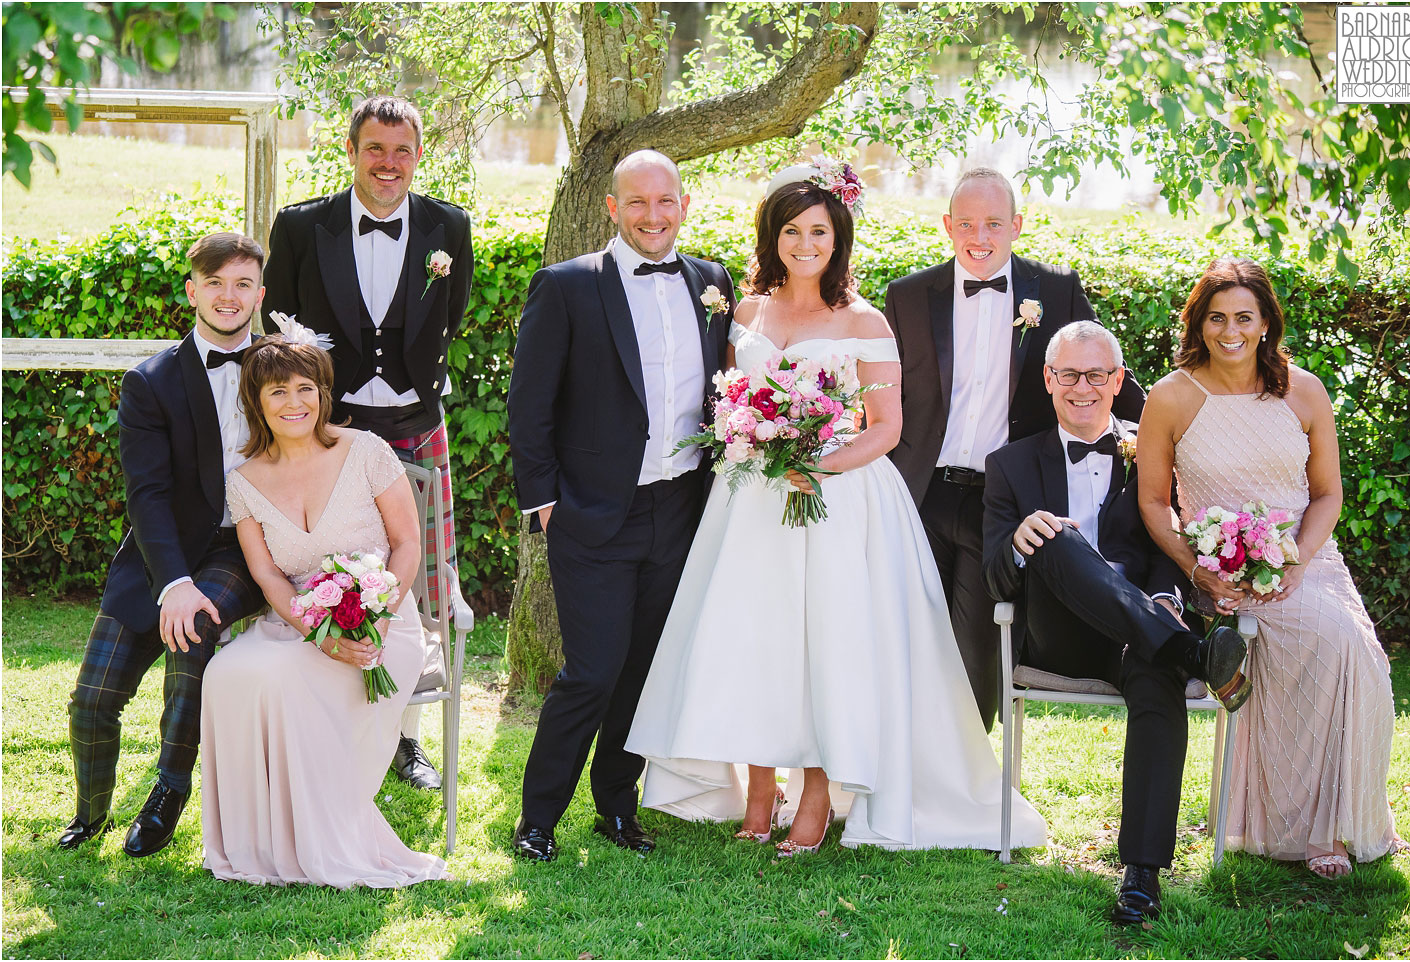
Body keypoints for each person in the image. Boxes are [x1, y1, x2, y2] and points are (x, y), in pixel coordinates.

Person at [624, 162, 1048, 855]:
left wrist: (810, 463)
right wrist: (755, 443)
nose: (804, 243)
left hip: (834, 500)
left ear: (837, 237)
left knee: (828, 644)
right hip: (750, 501)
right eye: (791, 230)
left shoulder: (864, 320)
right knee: (755, 640)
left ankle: (818, 792)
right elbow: (731, 401)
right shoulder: (746, 314)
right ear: (774, 236)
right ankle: (762, 787)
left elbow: (885, 427)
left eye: (818, 230)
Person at [1137, 257, 1407, 880]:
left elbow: (1328, 494)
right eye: (1216, 318)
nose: (1230, 331)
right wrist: (1197, 568)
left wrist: (1298, 559)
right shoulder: (1172, 397)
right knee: (1320, 641)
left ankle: (1333, 822)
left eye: (1244, 318)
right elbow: (1155, 500)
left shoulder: (1303, 390)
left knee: (1353, 652)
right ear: (1198, 324)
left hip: (1304, 559)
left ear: (1265, 323)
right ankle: (1296, 827)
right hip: (1218, 570)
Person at [506, 149, 736, 861]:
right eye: (636, 202)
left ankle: (615, 807)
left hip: (681, 507)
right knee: (593, 670)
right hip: (593, 512)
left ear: (685, 205)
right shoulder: (567, 286)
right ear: (612, 208)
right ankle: (538, 817)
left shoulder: (712, 282)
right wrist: (545, 503)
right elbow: (529, 404)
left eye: (665, 201)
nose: (652, 215)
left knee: (644, 668)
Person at [982, 320, 1250, 924]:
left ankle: (1141, 877)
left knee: (1156, 679)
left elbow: (1165, 552)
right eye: (1070, 374)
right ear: (1049, 380)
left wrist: (1167, 600)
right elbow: (995, 576)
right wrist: (1020, 544)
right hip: (1062, 638)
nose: (1083, 387)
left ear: (1118, 380)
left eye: (1097, 375)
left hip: (1137, 632)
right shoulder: (1009, 466)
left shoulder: (1149, 452)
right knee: (1053, 534)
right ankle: (1194, 653)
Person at [262, 95, 474, 791]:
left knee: (416, 581)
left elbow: (454, 312)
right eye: (375, 149)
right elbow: (280, 322)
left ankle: (404, 739)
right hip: (332, 430)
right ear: (351, 151)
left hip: (417, 422)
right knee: (326, 576)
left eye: (402, 151)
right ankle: (325, 725)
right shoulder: (301, 226)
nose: (389, 164)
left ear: (419, 154)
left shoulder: (449, 225)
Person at [884, 167, 1146, 732]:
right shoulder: (906, 295)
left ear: (1017, 226)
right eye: (968, 223)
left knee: (979, 649)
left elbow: (1100, 372)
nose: (980, 236)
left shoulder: (1054, 289)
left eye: (994, 223)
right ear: (947, 225)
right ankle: (900, 775)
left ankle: (966, 785)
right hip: (918, 494)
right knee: (902, 636)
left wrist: (1149, 435)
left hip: (1000, 500)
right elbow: (883, 394)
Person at [199, 332, 448, 888]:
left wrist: (379, 614)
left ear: (323, 393)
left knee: (284, 680)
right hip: (297, 622)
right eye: (278, 391)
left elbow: (408, 544)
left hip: (386, 624)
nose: (294, 403)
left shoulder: (365, 451)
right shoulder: (242, 481)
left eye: (305, 389)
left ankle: (317, 835)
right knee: (227, 672)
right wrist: (317, 631)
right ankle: (258, 841)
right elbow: (265, 574)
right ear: (256, 402)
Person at [60, 232, 267, 857]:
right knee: (93, 698)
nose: (228, 297)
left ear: (259, 293)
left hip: (243, 548)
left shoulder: (287, 367)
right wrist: (172, 581)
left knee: (193, 633)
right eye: (215, 283)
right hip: (162, 549)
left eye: (242, 284)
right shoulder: (150, 383)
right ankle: (89, 814)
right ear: (192, 290)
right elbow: (146, 495)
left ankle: (168, 793)